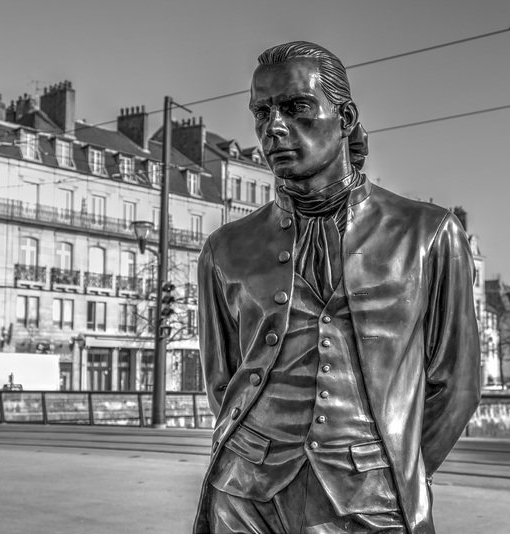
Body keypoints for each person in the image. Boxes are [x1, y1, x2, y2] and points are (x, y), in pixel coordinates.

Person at [194, 41, 481, 534]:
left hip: (373, 498)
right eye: (261, 112)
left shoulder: (428, 233)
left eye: (296, 107)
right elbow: (222, 380)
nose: (274, 127)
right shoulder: (225, 248)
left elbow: (456, 384)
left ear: (344, 118)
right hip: (243, 494)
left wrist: (396, 475)